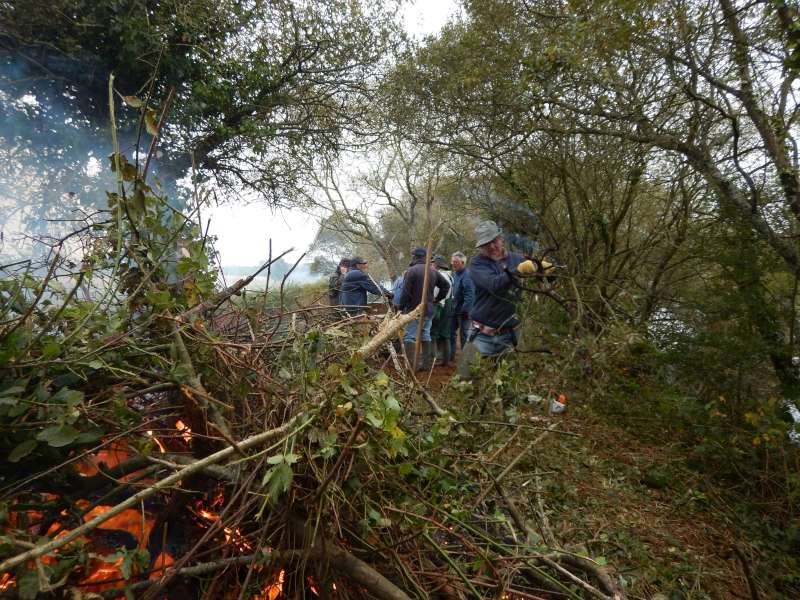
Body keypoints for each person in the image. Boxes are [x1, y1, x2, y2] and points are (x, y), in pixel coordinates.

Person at [458, 221, 538, 376]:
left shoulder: (517, 258)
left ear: (501, 238)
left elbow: (536, 271)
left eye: (494, 241)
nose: (492, 246)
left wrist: (542, 268)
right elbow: (493, 284)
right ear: (481, 246)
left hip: (510, 335)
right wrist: (518, 271)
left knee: (509, 385)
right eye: (487, 244)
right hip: (480, 335)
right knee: (464, 378)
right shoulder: (477, 263)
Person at [398, 247, 451, 370]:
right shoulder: (432, 271)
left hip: (414, 310)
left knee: (410, 336)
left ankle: (411, 366)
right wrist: (436, 300)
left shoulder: (411, 271)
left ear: (415, 257)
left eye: (412, 256)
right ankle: (426, 365)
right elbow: (446, 286)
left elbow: (405, 293)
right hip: (429, 310)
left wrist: (400, 308)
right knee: (425, 335)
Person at [450, 251, 475, 356]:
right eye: (452, 261)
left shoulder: (467, 275)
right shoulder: (455, 274)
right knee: (450, 332)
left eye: (456, 262)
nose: (453, 263)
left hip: (464, 311)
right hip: (454, 309)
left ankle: (466, 358)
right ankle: (451, 355)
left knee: (464, 334)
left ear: (463, 263)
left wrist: (465, 310)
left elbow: (470, 295)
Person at [431, 255, 454, 367]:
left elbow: (435, 294)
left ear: (437, 264)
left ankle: (434, 359)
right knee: (445, 334)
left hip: (440, 306)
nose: (432, 265)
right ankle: (446, 360)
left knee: (433, 332)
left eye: (433, 263)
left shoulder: (439, 276)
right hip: (448, 306)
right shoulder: (450, 276)